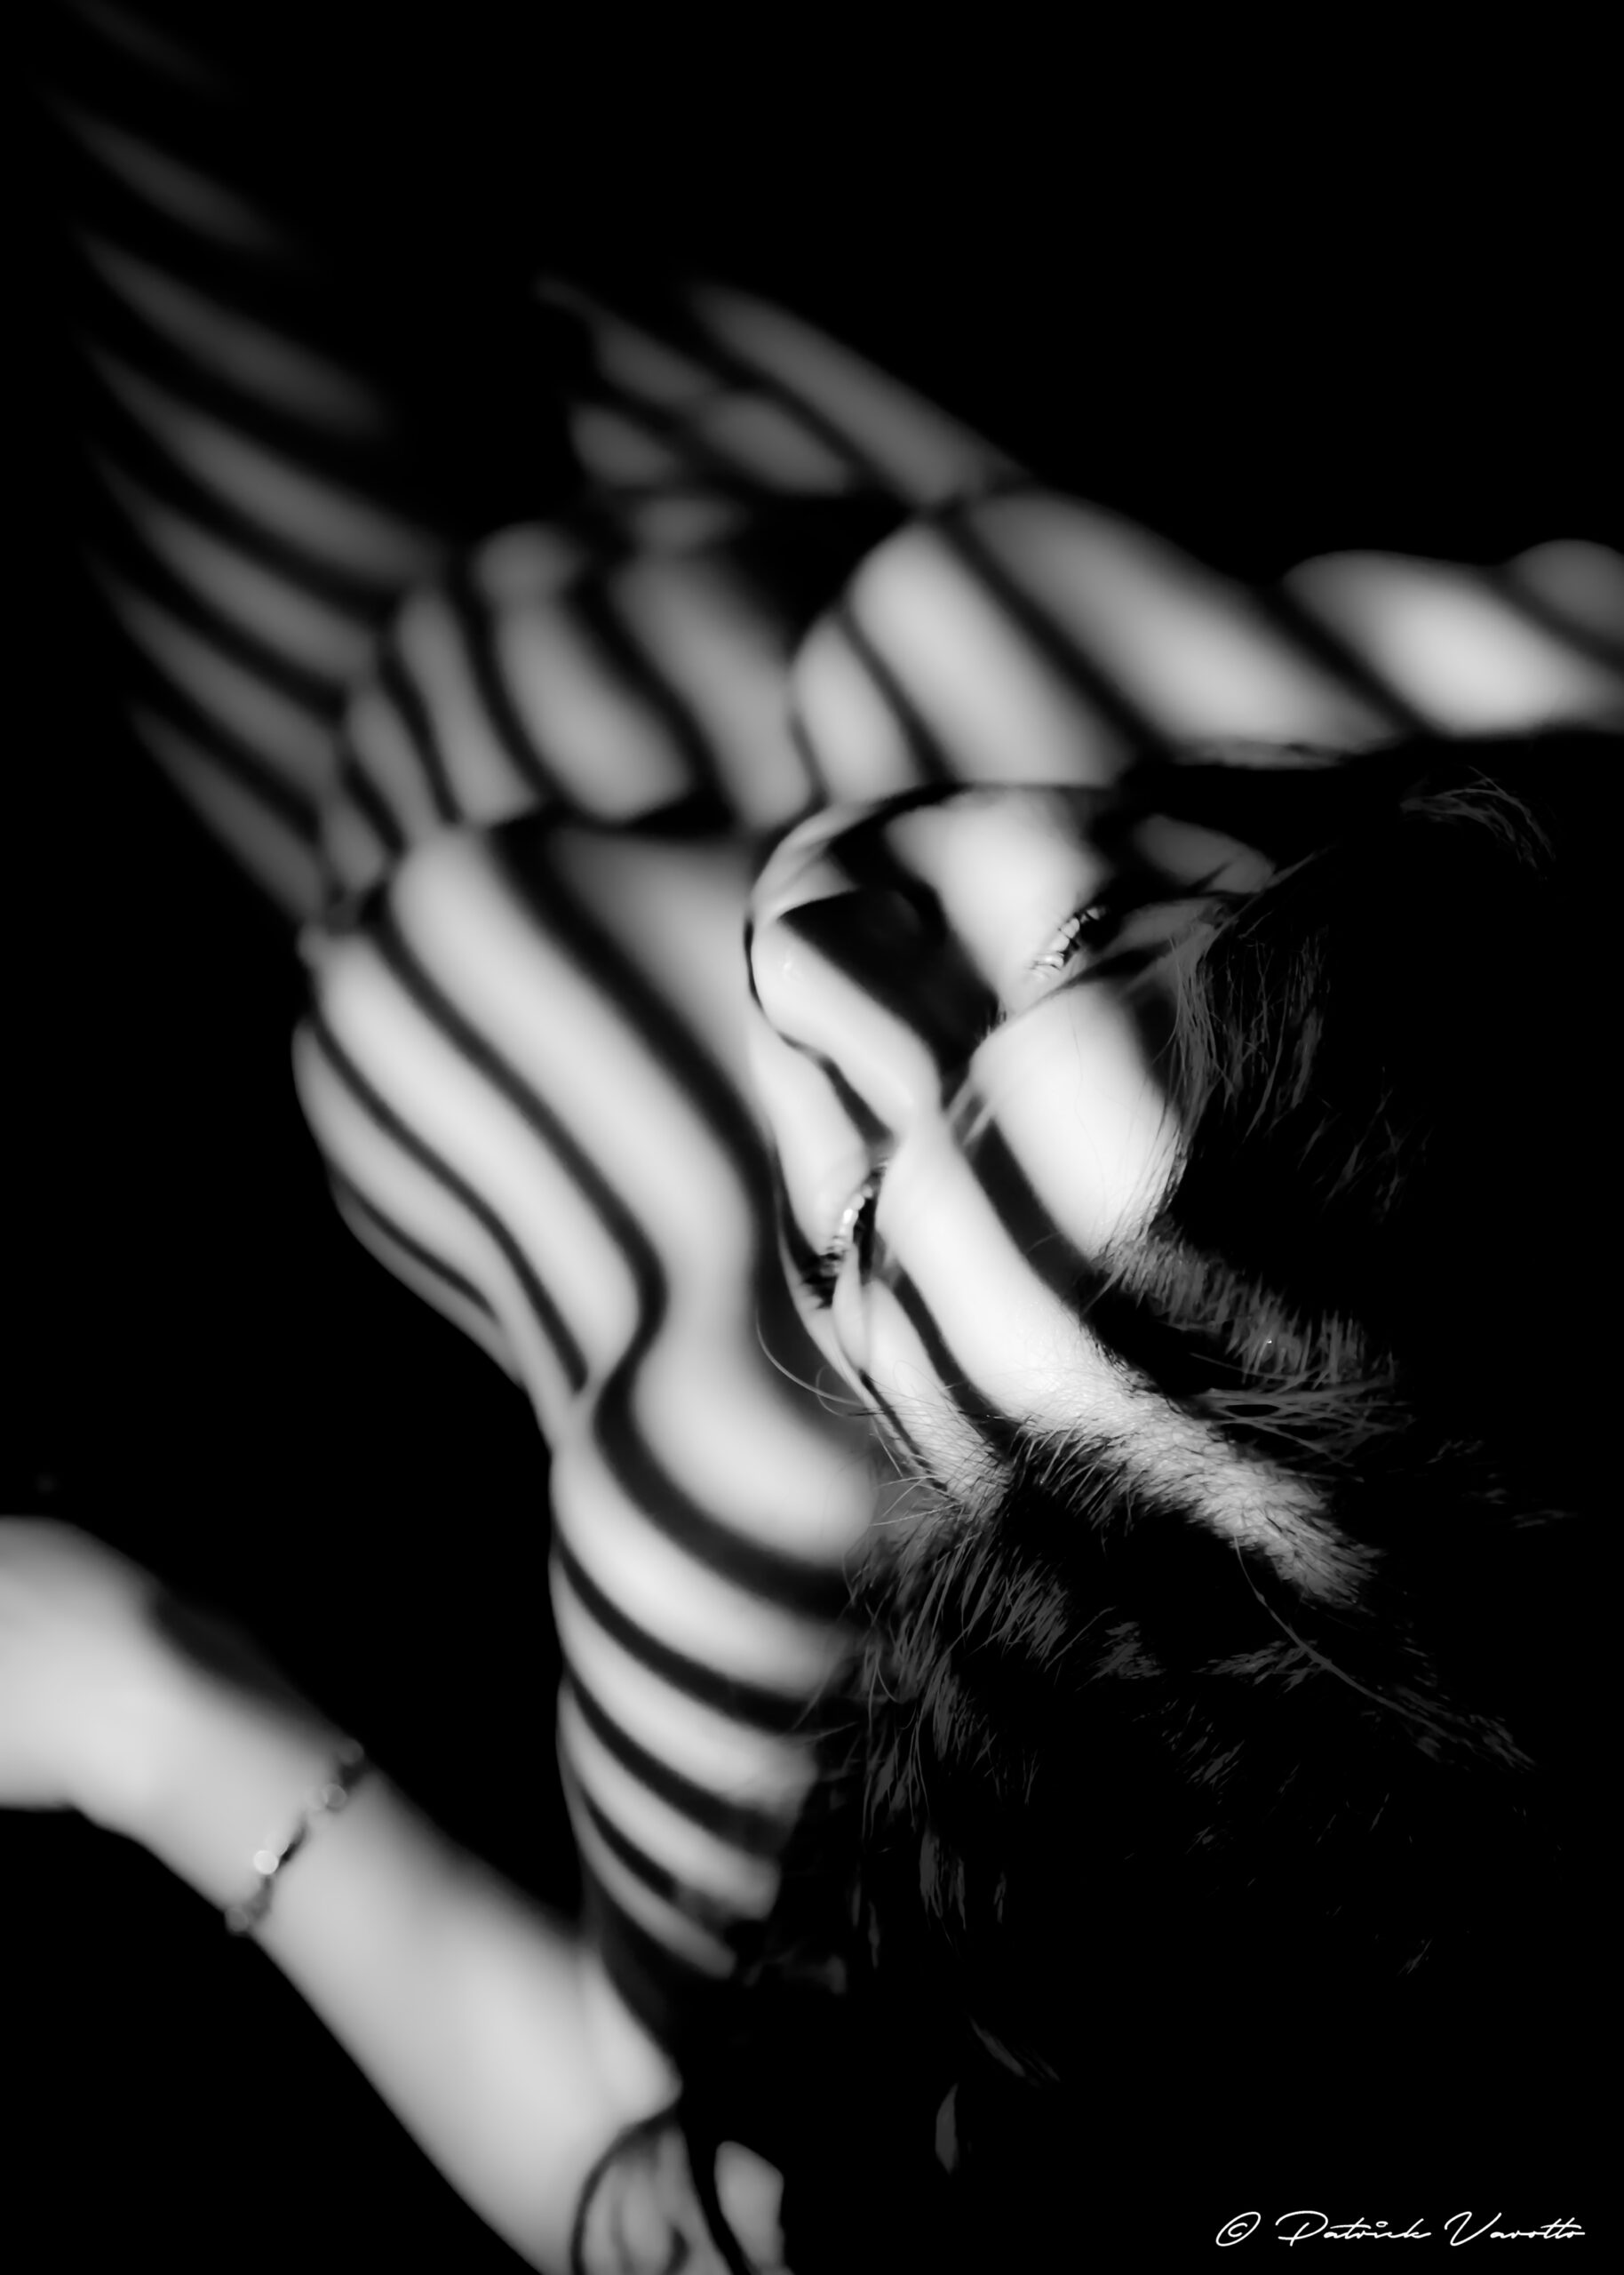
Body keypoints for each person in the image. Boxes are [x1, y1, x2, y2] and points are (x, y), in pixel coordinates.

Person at [7, 4, 1620, 2267]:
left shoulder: (798, 1771)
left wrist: (147, 1710)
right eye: (1094, 937)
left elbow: (707, 2221)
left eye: (850, 1235)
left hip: (381, 678)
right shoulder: (1543, 781)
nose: (797, 948)